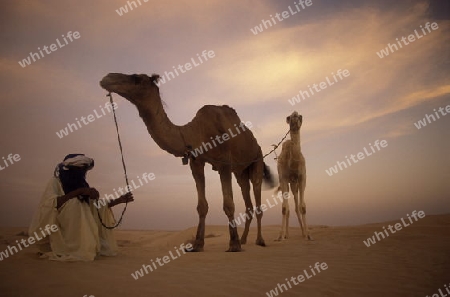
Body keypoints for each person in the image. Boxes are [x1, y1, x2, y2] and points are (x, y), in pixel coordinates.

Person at [29, 154, 133, 261]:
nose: (83, 174)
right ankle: (67, 247)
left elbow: (94, 206)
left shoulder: (79, 184)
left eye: (84, 171)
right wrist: (79, 192)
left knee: (81, 204)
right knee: (74, 203)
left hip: (79, 234)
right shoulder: (55, 182)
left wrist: (119, 200)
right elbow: (51, 204)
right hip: (58, 230)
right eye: (80, 170)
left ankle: (82, 245)